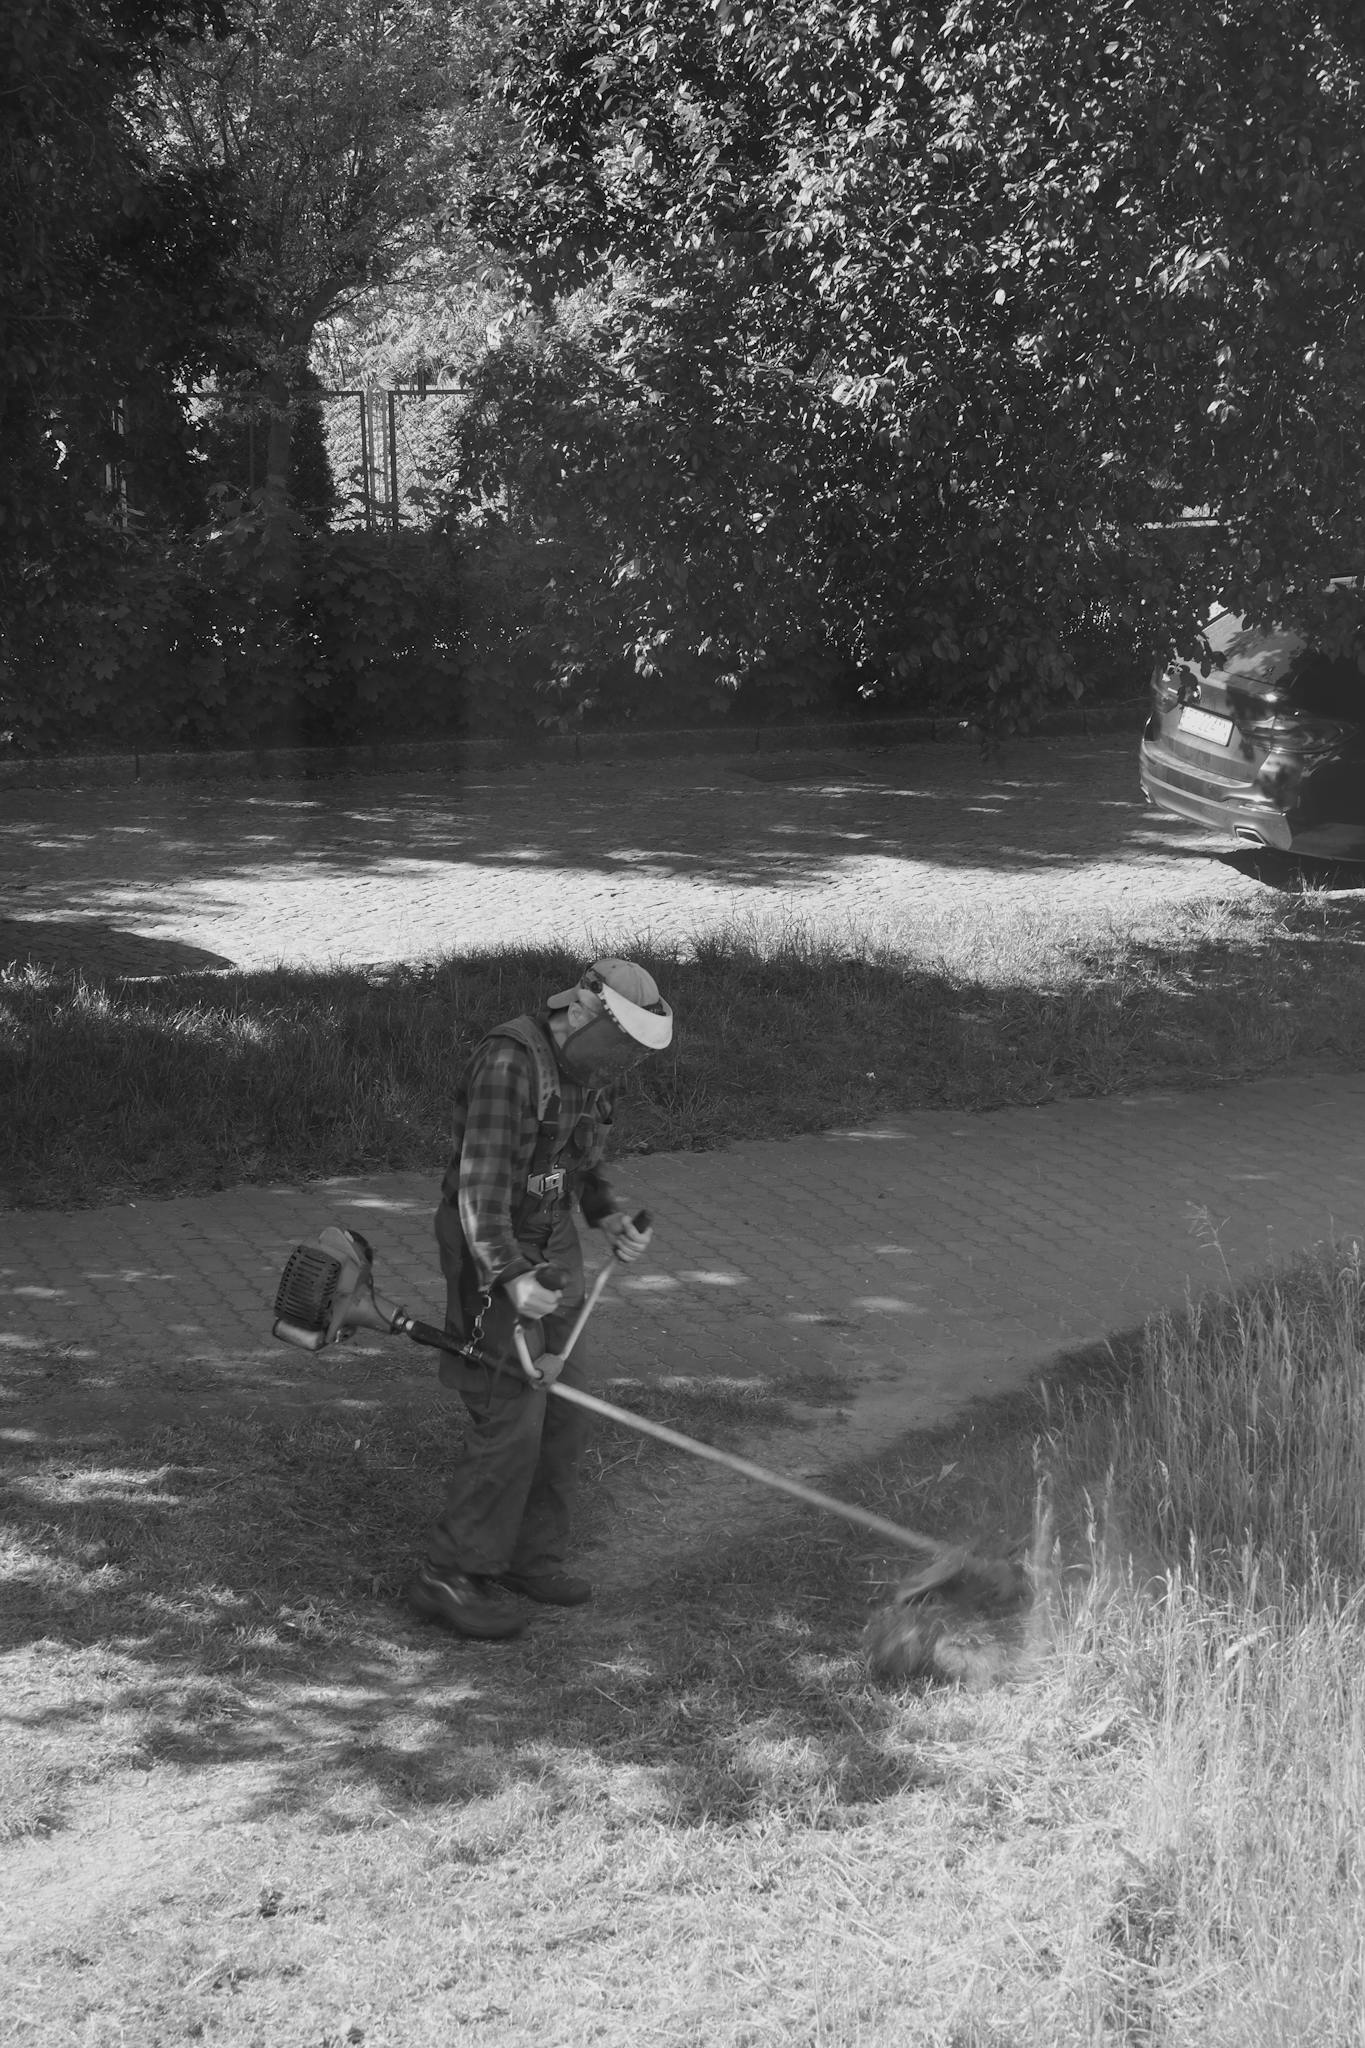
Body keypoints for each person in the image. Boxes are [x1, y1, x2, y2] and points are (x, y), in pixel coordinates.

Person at [407, 957, 674, 1640]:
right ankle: (451, 1573)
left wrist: (607, 1213)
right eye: (621, 1042)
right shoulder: (508, 1064)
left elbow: (581, 1162)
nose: (623, 1062)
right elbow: (480, 1191)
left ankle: (528, 1558)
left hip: (551, 1240)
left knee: (565, 1405)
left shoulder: (586, 1071)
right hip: (488, 1245)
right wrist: (509, 1276)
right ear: (583, 1004)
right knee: (512, 1409)